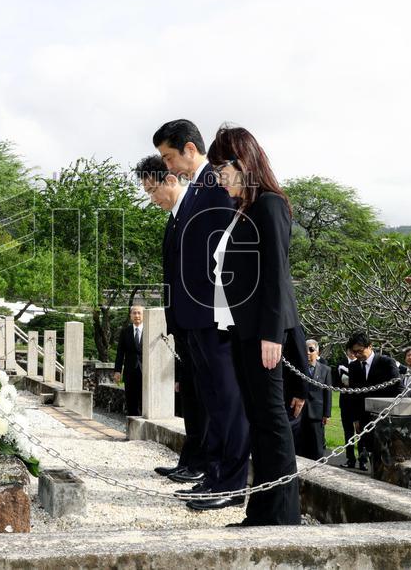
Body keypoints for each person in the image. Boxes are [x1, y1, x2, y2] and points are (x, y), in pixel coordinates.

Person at [207, 124, 307, 526]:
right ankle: (261, 511)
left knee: (272, 421)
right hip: (241, 332)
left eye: (221, 168)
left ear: (242, 162)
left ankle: (282, 515)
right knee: (259, 422)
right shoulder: (242, 209)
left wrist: (271, 334)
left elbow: (277, 277)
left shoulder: (270, 205)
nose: (217, 177)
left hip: (261, 334)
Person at [153, 121, 251, 511]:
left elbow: (225, 251)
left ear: (190, 149)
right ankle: (213, 474)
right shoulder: (198, 186)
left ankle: (229, 482)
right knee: (212, 400)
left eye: (169, 157)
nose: (168, 165)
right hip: (193, 314)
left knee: (227, 403)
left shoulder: (215, 182)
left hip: (214, 313)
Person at [135, 155, 208, 483]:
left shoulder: (195, 210)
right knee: (191, 396)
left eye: (152, 191)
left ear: (169, 180)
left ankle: (203, 463)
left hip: (201, 321)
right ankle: (189, 460)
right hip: (182, 321)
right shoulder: (174, 220)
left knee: (203, 398)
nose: (152, 199)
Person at [346, 331, 401, 470]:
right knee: (371, 449)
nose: (357, 354)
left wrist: (395, 412)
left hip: (385, 415)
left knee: (388, 451)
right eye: (354, 352)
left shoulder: (387, 362)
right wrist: (355, 419)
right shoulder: (353, 367)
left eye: (360, 351)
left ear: (370, 346)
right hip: (364, 417)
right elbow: (353, 395)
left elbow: (400, 389)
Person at [295, 339, 331, 460]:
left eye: (311, 350)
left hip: (317, 413)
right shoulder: (297, 369)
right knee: (300, 444)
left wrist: (327, 413)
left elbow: (328, 393)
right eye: (305, 350)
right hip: (300, 412)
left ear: (317, 351)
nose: (308, 353)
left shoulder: (325, 370)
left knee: (316, 446)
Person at [114, 305, 145, 417]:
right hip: (130, 371)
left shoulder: (150, 330)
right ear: (130, 315)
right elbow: (120, 352)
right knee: (131, 400)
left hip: (145, 371)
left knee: (144, 400)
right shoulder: (125, 332)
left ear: (143, 315)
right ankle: (132, 427)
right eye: (134, 313)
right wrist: (117, 371)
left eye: (139, 313)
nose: (137, 315)